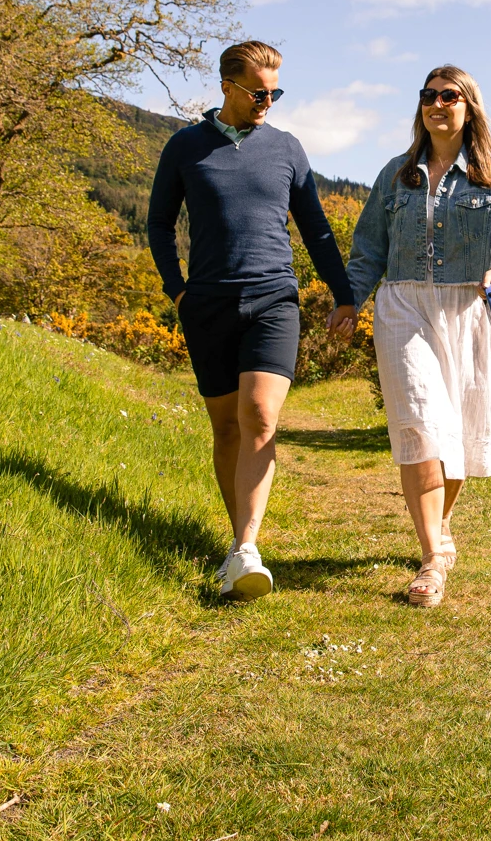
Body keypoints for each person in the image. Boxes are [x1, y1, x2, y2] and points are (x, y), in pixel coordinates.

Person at [148, 40, 357, 600]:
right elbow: (159, 225)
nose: (268, 100)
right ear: (226, 85)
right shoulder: (185, 147)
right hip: (208, 305)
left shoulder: (286, 147)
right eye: (258, 91)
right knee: (226, 429)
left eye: (276, 92)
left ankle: (246, 549)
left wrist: (344, 295)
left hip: (273, 298)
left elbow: (315, 229)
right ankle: (236, 544)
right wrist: (178, 291)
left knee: (261, 416)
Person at [347, 65, 491, 607]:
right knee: (423, 428)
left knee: (458, 439)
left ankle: (440, 526)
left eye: (449, 96)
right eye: (428, 96)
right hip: (404, 304)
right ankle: (431, 559)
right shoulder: (396, 175)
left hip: (471, 308)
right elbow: (369, 246)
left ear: (468, 106)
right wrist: (348, 298)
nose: (436, 103)